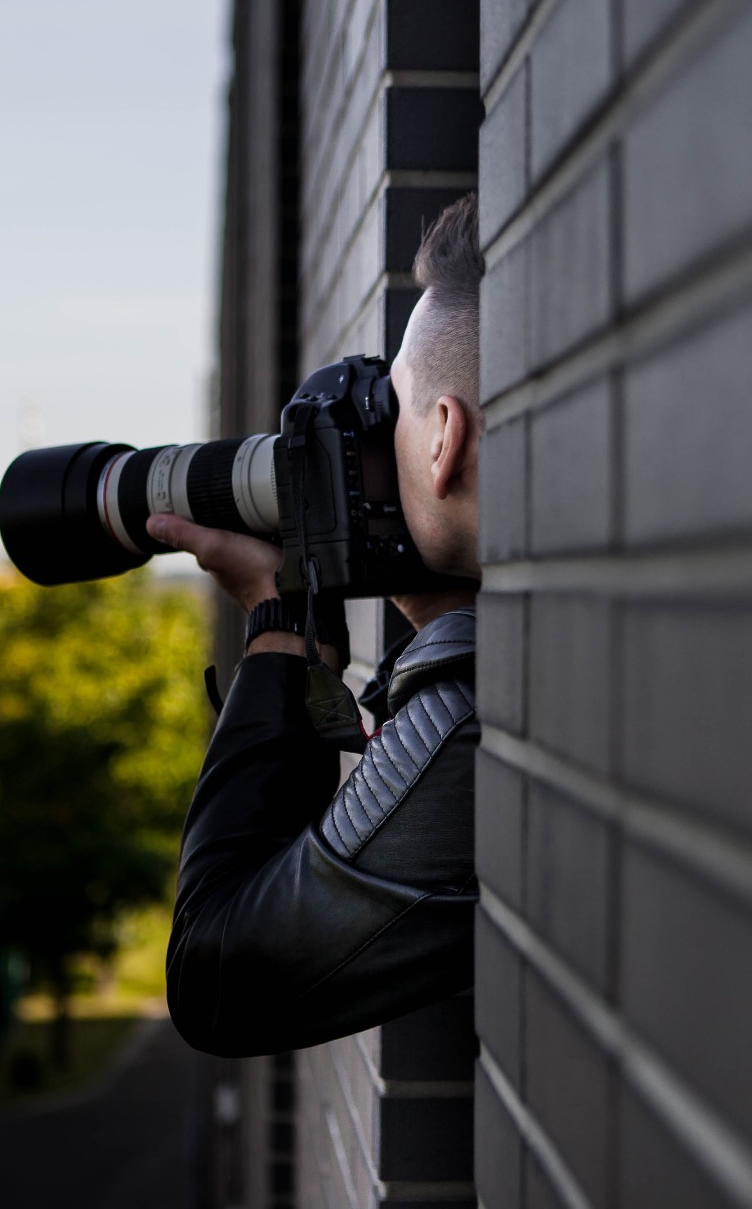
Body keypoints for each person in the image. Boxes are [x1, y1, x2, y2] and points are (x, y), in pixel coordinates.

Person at [147, 195, 484, 1056]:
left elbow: (216, 975)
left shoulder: (473, 721)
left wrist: (276, 636)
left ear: (443, 440)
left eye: (397, 406)